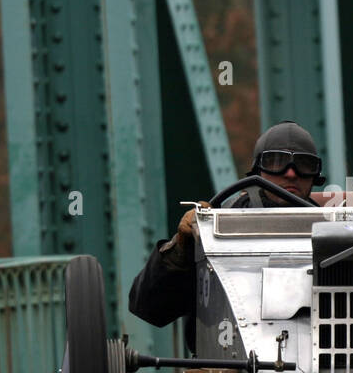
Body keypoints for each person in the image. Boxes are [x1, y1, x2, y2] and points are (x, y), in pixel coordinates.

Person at [127, 121, 326, 340]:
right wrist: (180, 249)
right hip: (227, 366)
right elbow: (148, 308)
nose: (290, 173)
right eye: (276, 161)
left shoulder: (331, 235)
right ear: (258, 170)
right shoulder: (216, 228)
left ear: (315, 175)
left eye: (304, 164)